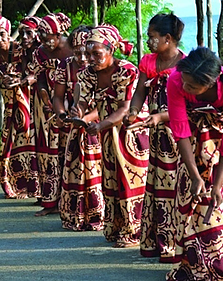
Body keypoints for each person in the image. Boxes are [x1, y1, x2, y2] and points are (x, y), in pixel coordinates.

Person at [166, 47, 223, 280]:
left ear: (211, 83)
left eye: (192, 87)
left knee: (218, 195)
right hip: (192, 139)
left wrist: (218, 182)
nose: (185, 88)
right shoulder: (177, 79)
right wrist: (195, 175)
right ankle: (193, 260)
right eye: (184, 83)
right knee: (190, 193)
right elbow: (180, 130)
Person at [77, 24, 149, 247]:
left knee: (131, 179)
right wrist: (77, 113)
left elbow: (126, 109)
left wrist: (100, 126)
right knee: (112, 178)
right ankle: (116, 227)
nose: (90, 59)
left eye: (96, 54)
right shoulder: (87, 74)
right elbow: (82, 101)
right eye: (87, 54)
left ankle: (134, 231)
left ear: (111, 50)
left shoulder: (126, 71)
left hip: (130, 131)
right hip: (108, 132)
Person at [124, 13, 185, 262]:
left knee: (174, 184)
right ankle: (158, 240)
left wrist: (162, 117)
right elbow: (139, 92)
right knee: (158, 185)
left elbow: (188, 105)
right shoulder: (148, 62)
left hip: (178, 132)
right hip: (156, 132)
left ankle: (176, 242)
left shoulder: (185, 65)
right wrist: (133, 111)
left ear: (167, 39)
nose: (148, 42)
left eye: (152, 37)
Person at [53, 25, 105, 231]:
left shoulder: (101, 69)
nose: (82, 57)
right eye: (77, 52)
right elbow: (58, 96)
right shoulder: (65, 66)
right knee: (73, 170)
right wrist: (61, 115)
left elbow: (109, 104)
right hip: (74, 124)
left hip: (99, 126)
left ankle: (97, 213)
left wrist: (87, 118)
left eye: (87, 52)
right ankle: (75, 213)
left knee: (96, 172)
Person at [0, 14, 40, 199]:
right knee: (8, 140)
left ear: (8, 33)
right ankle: (11, 184)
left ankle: (34, 185)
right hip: (8, 102)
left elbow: (30, 74)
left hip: (26, 98)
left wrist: (18, 81)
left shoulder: (19, 49)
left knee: (28, 135)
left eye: (2, 34)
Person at [32, 12, 72, 216]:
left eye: (50, 39)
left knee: (71, 154)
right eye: (43, 40)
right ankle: (51, 202)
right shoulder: (40, 53)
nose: (47, 44)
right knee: (52, 153)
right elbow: (39, 78)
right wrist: (44, 94)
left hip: (73, 104)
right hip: (50, 105)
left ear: (59, 35)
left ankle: (73, 201)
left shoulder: (73, 47)